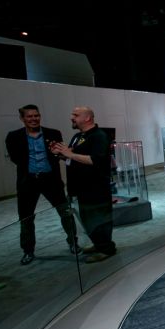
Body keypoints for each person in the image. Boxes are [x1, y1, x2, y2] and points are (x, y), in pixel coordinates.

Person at [5, 104, 80, 265]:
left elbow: (60, 154)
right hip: (28, 182)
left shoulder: (53, 133)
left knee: (65, 213)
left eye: (36, 115)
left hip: (51, 181)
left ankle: (73, 242)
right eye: (29, 116)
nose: (34, 119)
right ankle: (28, 251)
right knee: (26, 219)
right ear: (22, 118)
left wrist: (61, 153)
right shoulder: (13, 136)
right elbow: (15, 158)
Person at [50, 106, 117, 263]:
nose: (71, 117)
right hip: (82, 188)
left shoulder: (99, 136)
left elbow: (96, 160)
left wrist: (70, 154)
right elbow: (72, 158)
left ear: (87, 118)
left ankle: (106, 249)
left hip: (96, 188)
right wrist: (61, 154)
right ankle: (99, 244)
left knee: (99, 220)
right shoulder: (78, 136)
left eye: (75, 115)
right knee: (88, 219)